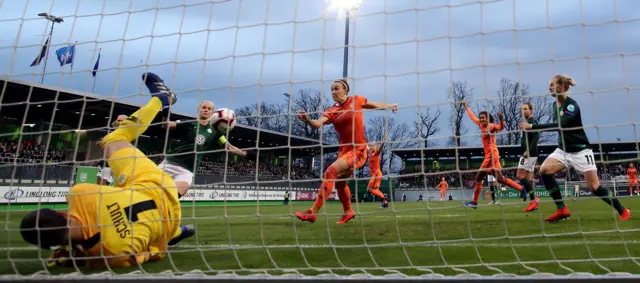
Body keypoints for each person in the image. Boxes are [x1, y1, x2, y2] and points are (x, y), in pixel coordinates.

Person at [19, 72, 195, 268]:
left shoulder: (111, 254)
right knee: (113, 140)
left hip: (167, 222)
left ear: (52, 246)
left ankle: (179, 231)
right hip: (151, 182)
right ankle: (161, 99)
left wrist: (80, 254)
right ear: (61, 213)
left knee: (152, 237)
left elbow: (154, 253)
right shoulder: (79, 195)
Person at [520, 74, 631, 222]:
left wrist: (533, 126)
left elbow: (560, 125)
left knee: (594, 187)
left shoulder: (572, 105)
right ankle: (562, 209)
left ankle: (623, 210)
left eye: (552, 84)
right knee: (544, 170)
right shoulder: (554, 106)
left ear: (562, 87)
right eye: (549, 85)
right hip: (563, 150)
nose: (549, 87)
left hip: (581, 150)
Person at [294, 79, 397, 224]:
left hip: (359, 150)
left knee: (330, 172)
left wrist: (390, 105)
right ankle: (348, 211)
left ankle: (313, 212)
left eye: (336, 88)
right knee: (340, 184)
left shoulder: (356, 100)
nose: (333, 92)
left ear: (345, 90)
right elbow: (317, 124)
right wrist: (307, 120)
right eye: (331, 90)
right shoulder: (331, 111)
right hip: (344, 152)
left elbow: (375, 104)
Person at [159, 100, 246, 198]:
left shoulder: (215, 133)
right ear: (198, 110)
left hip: (187, 171)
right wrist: (165, 113)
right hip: (170, 163)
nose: (206, 110)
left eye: (209, 109)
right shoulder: (189, 123)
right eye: (204, 107)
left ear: (213, 113)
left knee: (174, 196)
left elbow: (229, 147)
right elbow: (167, 125)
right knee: (145, 186)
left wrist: (244, 153)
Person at [462, 102, 523, 209]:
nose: (481, 119)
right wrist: (466, 107)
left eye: (483, 118)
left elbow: (500, 127)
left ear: (488, 119)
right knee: (500, 179)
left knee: (478, 178)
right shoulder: (482, 125)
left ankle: (474, 202)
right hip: (493, 155)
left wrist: (501, 120)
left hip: (491, 156)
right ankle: (522, 189)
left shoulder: (490, 126)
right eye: (480, 118)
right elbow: (472, 117)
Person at [519, 102, 541, 211]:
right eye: (522, 109)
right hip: (530, 154)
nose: (524, 111)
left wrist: (528, 150)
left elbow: (536, 137)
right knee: (528, 179)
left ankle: (534, 199)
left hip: (530, 154)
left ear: (531, 110)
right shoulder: (527, 122)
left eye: (526, 109)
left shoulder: (533, 122)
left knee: (520, 176)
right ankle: (533, 203)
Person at [366, 140, 388, 208]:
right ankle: (384, 202)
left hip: (377, 174)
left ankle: (384, 199)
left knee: (369, 189)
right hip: (375, 175)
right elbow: (366, 147)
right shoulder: (370, 153)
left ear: (376, 146)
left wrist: (383, 142)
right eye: (371, 145)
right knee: (376, 191)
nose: (371, 147)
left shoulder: (376, 153)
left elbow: (380, 149)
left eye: (373, 145)